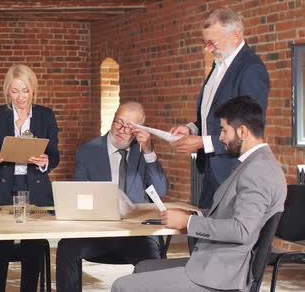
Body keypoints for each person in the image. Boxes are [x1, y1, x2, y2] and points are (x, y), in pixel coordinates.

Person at [112, 96, 286, 292]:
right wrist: (191, 215)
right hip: (213, 264)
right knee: (142, 268)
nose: (220, 137)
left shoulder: (258, 171)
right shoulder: (254, 163)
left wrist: (188, 223)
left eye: (223, 130)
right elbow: (231, 215)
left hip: (221, 275)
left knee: (121, 286)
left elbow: (241, 230)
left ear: (243, 131)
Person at [55, 101, 168, 292]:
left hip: (136, 234)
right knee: (66, 249)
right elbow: (80, 194)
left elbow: (161, 191)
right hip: (98, 233)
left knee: (151, 261)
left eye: (129, 127)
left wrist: (149, 151)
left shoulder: (143, 151)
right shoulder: (88, 150)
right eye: (118, 122)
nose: (122, 130)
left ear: (139, 130)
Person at [170, 7, 269, 209]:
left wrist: (202, 142)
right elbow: (215, 117)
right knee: (201, 231)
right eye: (204, 42)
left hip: (233, 169)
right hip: (211, 167)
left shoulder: (251, 69)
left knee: (219, 235)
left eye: (212, 42)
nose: (208, 48)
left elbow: (248, 130)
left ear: (235, 35)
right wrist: (192, 129)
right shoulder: (220, 63)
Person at [0, 64, 60, 292]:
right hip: (5, 189)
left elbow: (54, 155)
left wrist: (45, 160)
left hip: (35, 188)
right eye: (15, 91)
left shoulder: (46, 116)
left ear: (33, 90)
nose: (20, 97)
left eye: (25, 90)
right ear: (8, 91)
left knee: (32, 252)